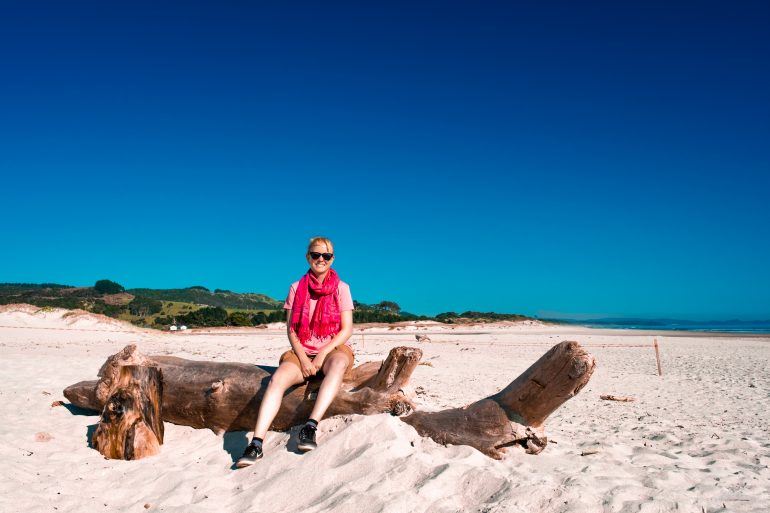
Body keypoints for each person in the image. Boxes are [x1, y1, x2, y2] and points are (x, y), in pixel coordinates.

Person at [237, 236, 354, 467]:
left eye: (326, 256)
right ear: (307, 256)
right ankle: (256, 443)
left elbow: (347, 329)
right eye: (316, 254)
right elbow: (291, 331)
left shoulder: (342, 288)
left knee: (338, 364)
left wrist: (322, 354)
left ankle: (310, 426)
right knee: (276, 379)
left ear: (333, 259)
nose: (321, 259)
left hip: (331, 349)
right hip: (301, 351)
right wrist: (303, 358)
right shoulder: (295, 288)